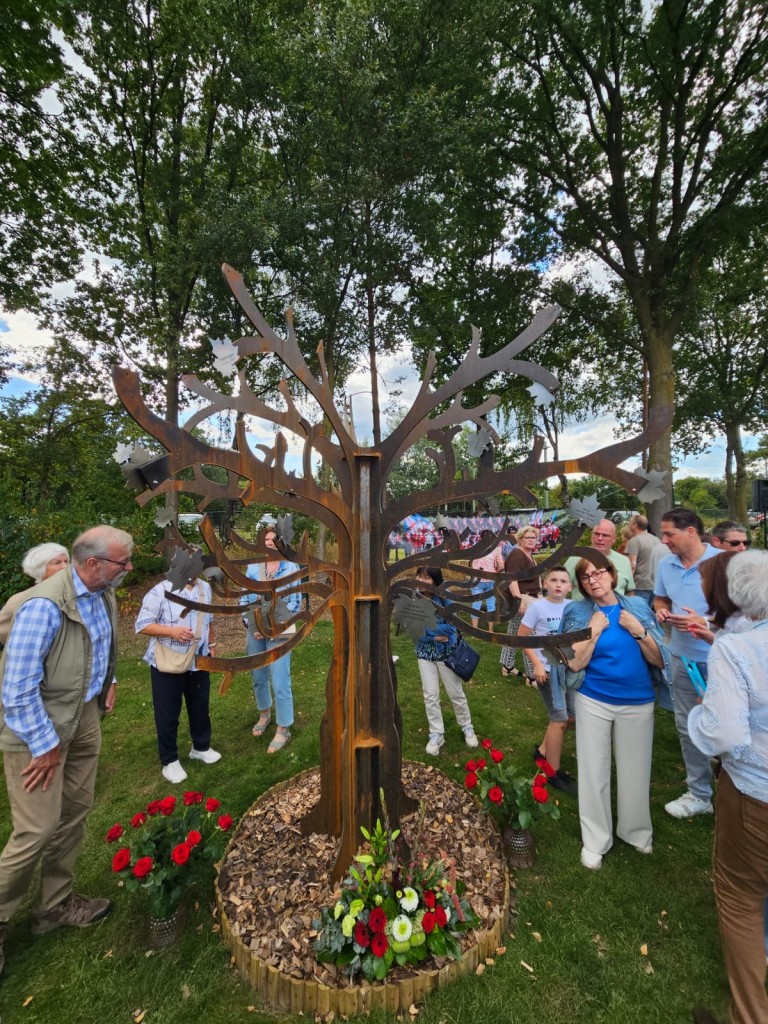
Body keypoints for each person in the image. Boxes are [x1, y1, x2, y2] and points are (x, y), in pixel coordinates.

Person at [0, 526, 133, 975]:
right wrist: (45, 746)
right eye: (122, 562)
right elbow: (16, 690)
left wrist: (108, 681)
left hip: (83, 718)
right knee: (35, 829)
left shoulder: (101, 593)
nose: (129, 569)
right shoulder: (42, 606)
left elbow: (98, 645)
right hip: (37, 731)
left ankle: (54, 906)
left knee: (74, 810)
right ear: (92, 563)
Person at [688, 550, 768, 1024]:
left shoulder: (737, 651)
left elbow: (724, 734)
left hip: (755, 795)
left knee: (739, 897)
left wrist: (703, 711)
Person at [560, 558, 667, 870]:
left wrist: (639, 632)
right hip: (593, 699)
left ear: (612, 575)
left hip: (638, 701)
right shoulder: (578, 612)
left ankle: (635, 831)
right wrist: (592, 633)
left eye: (598, 573)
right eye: (585, 577)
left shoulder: (637, 607)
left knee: (636, 770)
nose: (593, 580)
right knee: (594, 770)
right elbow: (575, 664)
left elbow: (660, 660)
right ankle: (595, 839)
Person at [653, 507, 719, 818]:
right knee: (688, 725)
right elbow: (661, 598)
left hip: (721, 658)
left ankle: (742, 791)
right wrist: (661, 611)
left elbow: (748, 613)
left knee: (733, 723)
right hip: (682, 659)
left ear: (691, 531)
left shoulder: (723, 563)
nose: (664, 540)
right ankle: (699, 794)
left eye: (669, 534)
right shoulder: (666, 564)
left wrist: (705, 621)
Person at [135, 566, 220, 784]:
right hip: (167, 662)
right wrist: (172, 632)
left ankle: (200, 747)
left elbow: (208, 619)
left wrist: (211, 644)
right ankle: (170, 760)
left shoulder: (205, 589)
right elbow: (142, 625)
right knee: (168, 713)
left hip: (198, 660)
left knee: (200, 706)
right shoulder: (161, 590)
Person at [240, 528, 302, 754]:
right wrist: (252, 625)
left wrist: (277, 627)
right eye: (266, 539)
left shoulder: (291, 567)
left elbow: (296, 600)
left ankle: (283, 727)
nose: (270, 542)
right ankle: (264, 713)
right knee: (258, 676)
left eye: (274, 539)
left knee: (279, 680)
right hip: (256, 630)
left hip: (280, 631)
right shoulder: (253, 567)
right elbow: (245, 596)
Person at [517, 566, 577, 794]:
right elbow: (522, 638)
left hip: (568, 669)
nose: (559, 584)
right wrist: (537, 663)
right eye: (554, 580)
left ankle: (543, 750)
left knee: (572, 717)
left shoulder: (573, 607)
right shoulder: (538, 608)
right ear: (545, 584)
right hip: (547, 670)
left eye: (563, 581)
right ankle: (553, 772)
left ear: (570, 586)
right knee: (559, 719)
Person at [414, 567, 478, 756]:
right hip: (425, 654)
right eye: (419, 576)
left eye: (426, 577)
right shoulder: (414, 598)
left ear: (435, 579)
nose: (421, 580)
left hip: (446, 653)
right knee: (430, 695)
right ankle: (436, 733)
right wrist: (434, 635)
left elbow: (451, 627)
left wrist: (428, 630)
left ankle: (467, 726)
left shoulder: (444, 597)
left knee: (455, 692)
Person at [0, 543, 70, 645]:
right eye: (57, 563)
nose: (65, 566)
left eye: (66, 561)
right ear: (40, 569)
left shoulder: (78, 592)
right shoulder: (22, 599)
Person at [500, 525, 541, 676]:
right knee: (528, 636)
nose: (531, 540)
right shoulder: (517, 554)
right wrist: (519, 601)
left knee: (513, 634)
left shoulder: (529, 554)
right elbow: (512, 579)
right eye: (527, 537)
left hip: (530, 599)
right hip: (523, 600)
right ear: (520, 539)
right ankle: (532, 675)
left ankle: (507, 665)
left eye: (533, 537)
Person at [564, 519, 635, 599]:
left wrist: (632, 610)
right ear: (591, 535)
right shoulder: (576, 557)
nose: (600, 538)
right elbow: (559, 586)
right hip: (584, 610)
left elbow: (629, 592)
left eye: (605, 535)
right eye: (596, 534)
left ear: (614, 538)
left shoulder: (624, 561)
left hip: (616, 610)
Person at [625, 515, 663, 605]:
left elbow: (632, 565)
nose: (629, 525)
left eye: (630, 523)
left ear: (635, 525)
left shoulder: (634, 541)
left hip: (639, 585)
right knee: (648, 612)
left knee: (638, 614)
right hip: (654, 585)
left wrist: (627, 585)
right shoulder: (657, 540)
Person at [470, 534, 505, 627]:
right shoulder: (497, 549)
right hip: (491, 579)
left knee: (476, 604)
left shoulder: (475, 548)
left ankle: (474, 628)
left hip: (477, 579)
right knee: (491, 604)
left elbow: (471, 564)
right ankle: (490, 630)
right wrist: (495, 571)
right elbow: (501, 566)